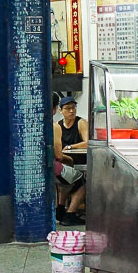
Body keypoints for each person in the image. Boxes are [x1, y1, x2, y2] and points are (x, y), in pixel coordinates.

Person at [53, 95, 87, 226]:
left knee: (76, 180)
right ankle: (67, 213)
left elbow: (87, 142)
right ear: (60, 110)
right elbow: (58, 153)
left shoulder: (81, 123)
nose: (71, 111)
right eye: (67, 108)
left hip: (79, 161)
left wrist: (71, 147)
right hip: (64, 163)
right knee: (71, 182)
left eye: (73, 108)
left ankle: (64, 211)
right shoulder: (58, 126)